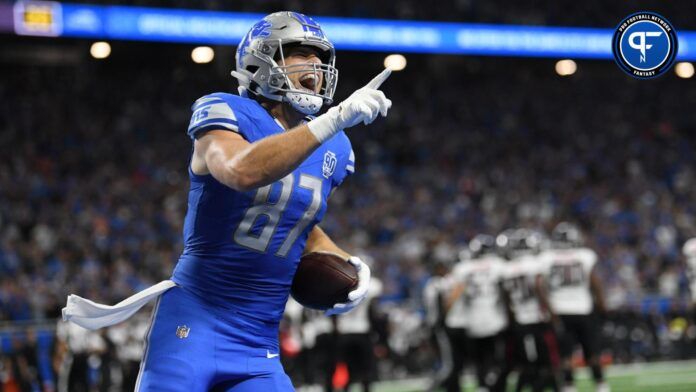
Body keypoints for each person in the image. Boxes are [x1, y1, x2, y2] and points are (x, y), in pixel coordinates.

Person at [63, 11, 391, 392]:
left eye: (320, 57)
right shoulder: (227, 111)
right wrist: (330, 122)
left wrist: (344, 263)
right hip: (194, 323)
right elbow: (241, 172)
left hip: (259, 340)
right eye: (300, 53)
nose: (315, 65)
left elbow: (295, 217)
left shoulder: (336, 148)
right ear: (261, 60)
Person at [540, 222, 609, 392]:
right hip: (583, 310)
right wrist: (602, 304)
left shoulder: (547, 258)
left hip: (560, 311)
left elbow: (541, 286)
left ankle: (569, 386)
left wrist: (548, 309)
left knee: (566, 354)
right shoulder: (584, 256)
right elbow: (595, 282)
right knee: (592, 352)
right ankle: (600, 384)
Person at [500, 229, 560, 392]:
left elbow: (505, 298)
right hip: (536, 318)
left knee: (527, 362)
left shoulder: (506, 268)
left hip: (519, 319)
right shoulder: (536, 264)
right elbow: (539, 288)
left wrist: (510, 317)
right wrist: (551, 313)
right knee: (546, 361)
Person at [449, 234, 509, 392]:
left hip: (473, 320)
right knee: (498, 359)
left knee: (479, 361)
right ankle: (493, 385)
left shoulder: (463, 268)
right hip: (496, 319)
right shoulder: (498, 265)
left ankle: (483, 386)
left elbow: (455, 295)